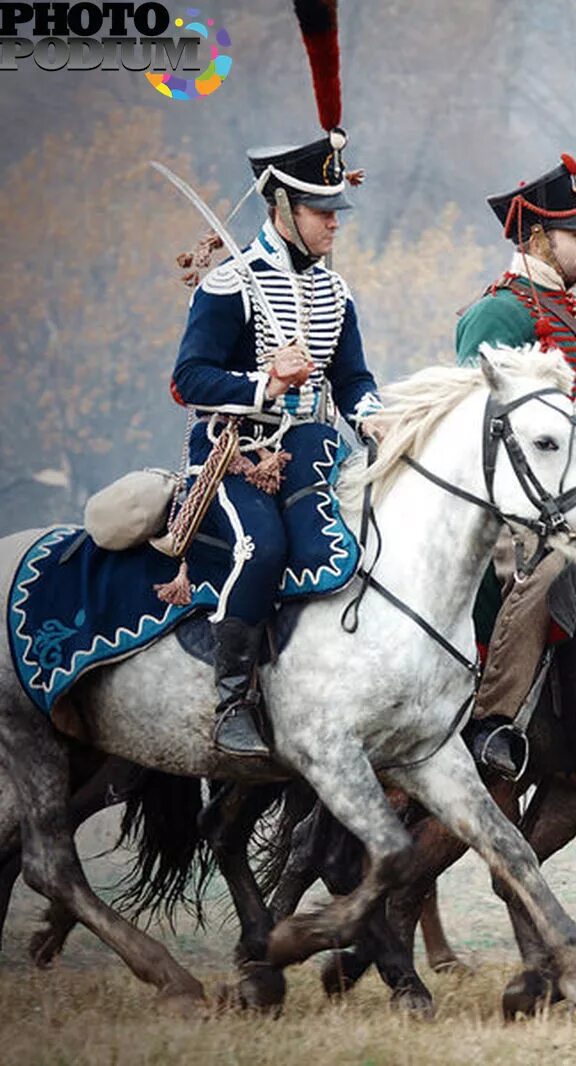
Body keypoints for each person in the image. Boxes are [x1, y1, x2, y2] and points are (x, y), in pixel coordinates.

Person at [168, 129, 380, 757]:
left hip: (311, 449)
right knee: (262, 548)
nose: (334, 224)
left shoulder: (334, 293)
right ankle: (231, 700)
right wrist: (265, 381)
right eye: (322, 212)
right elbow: (189, 378)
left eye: (336, 212)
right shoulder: (229, 284)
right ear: (283, 208)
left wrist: (374, 419)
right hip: (232, 453)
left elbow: (353, 380)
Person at [453, 154, 576, 777]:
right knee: (555, 573)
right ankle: (492, 718)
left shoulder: (571, 307)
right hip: (518, 498)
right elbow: (480, 412)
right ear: (540, 237)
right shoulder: (502, 311)